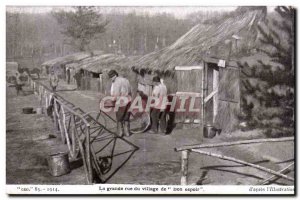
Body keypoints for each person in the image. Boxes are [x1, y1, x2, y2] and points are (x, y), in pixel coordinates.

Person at [108, 69, 132, 137]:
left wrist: (113, 100)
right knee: (126, 117)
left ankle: (120, 133)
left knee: (119, 118)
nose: (111, 79)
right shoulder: (126, 80)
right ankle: (127, 133)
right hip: (128, 100)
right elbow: (130, 90)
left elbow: (116, 93)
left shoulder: (116, 81)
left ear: (115, 75)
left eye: (111, 77)